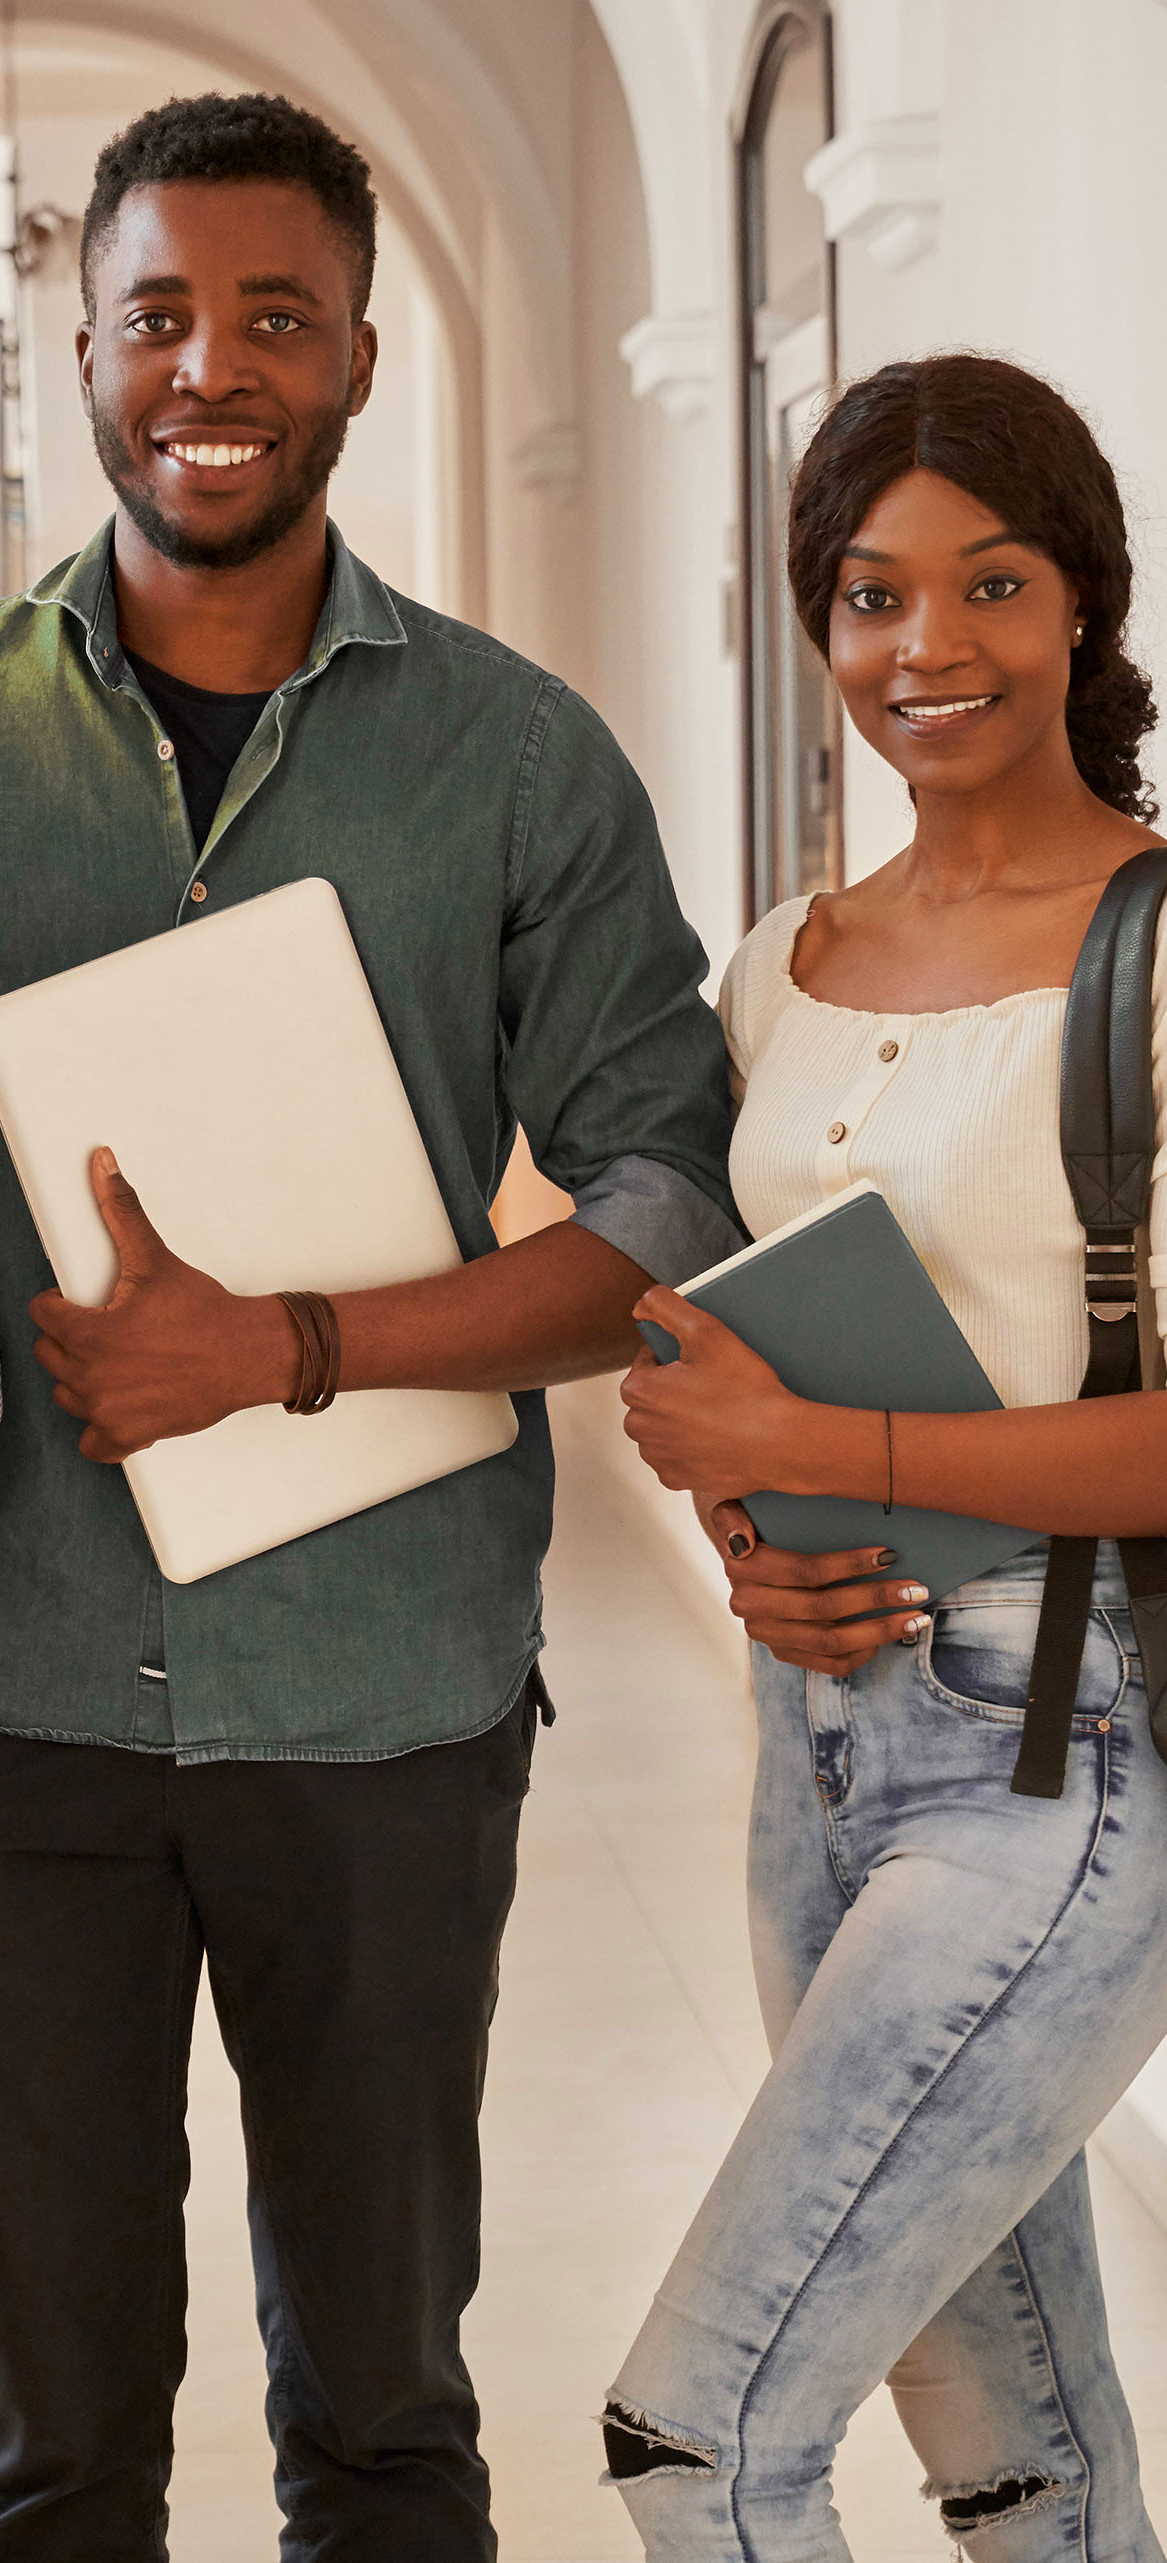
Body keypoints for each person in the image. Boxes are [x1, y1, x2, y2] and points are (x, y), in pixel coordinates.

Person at [0, 91, 737, 2562]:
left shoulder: (517, 757)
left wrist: (287, 1344)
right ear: (80, 347)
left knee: (387, 2431)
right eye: (158, 315)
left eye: (273, 316)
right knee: (52, 2458)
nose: (211, 365)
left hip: (387, 1708)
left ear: (358, 357)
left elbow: (654, 1198)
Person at [612, 353, 1167, 2563]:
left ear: (1080, 600)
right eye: (868, 594)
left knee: (699, 2436)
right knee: (1019, 2460)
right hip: (817, 1746)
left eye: (990, 581)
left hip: (1060, 1752)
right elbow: (736, 1337)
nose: (927, 643)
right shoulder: (786, 962)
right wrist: (753, 1523)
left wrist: (805, 1435)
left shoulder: (1153, 946)